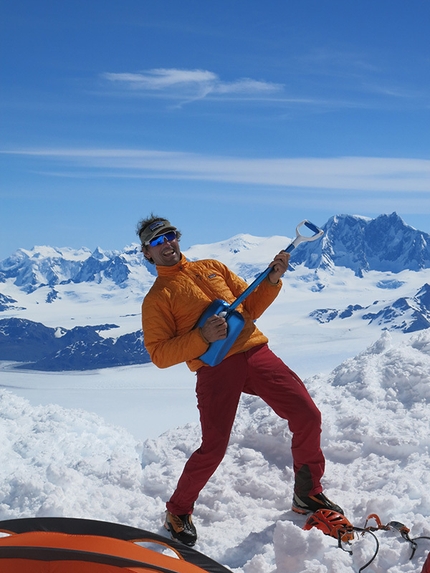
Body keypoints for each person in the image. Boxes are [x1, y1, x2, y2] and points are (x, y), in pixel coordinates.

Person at [138, 214, 343, 547]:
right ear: (147, 254)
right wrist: (202, 337)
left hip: (255, 352)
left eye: (170, 236)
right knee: (214, 447)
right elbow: (160, 354)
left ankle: (307, 495)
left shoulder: (212, 266)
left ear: (178, 237)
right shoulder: (158, 298)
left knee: (307, 415)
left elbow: (249, 307)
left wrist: (272, 280)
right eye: (157, 242)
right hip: (216, 368)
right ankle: (177, 511)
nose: (167, 245)